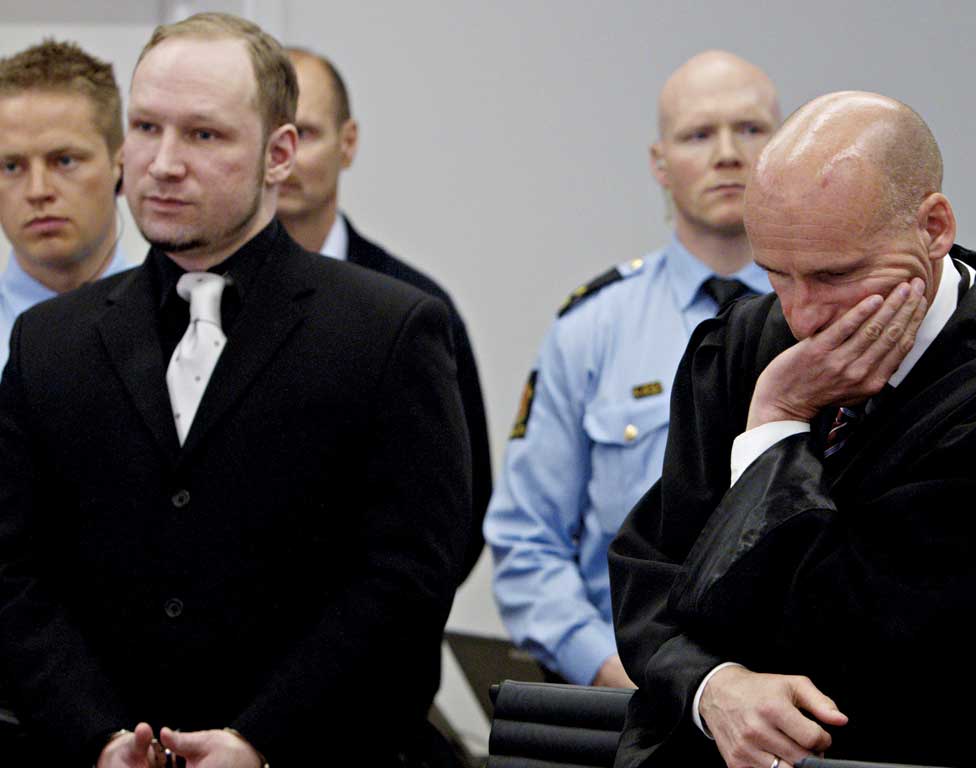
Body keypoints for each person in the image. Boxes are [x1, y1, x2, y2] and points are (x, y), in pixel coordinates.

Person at [0, 13, 471, 768]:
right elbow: (14, 571)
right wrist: (97, 735)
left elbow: (407, 576)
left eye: (204, 136)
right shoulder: (51, 340)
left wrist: (261, 738)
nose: (162, 163)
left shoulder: (387, 328)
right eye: (147, 128)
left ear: (279, 153)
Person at [609, 91, 976, 768]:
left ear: (934, 227)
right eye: (776, 273)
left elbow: (845, 639)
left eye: (836, 275)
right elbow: (649, 571)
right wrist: (714, 686)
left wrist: (776, 427)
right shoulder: (746, 342)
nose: (803, 316)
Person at [484, 51, 778, 688]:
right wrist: (612, 668)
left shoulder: (832, 313)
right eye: (698, 134)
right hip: (630, 700)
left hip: (798, 700)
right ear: (659, 164)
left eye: (751, 130)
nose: (728, 153)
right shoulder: (593, 329)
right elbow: (526, 543)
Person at [277, 47, 490, 583]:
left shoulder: (413, 306)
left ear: (347, 143)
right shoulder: (205, 298)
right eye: (271, 135)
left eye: (306, 133)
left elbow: (463, 503)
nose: (286, 156)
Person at [0, 39, 131, 371]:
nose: (38, 190)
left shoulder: (187, 330)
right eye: (11, 166)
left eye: (65, 160)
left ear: (122, 164)